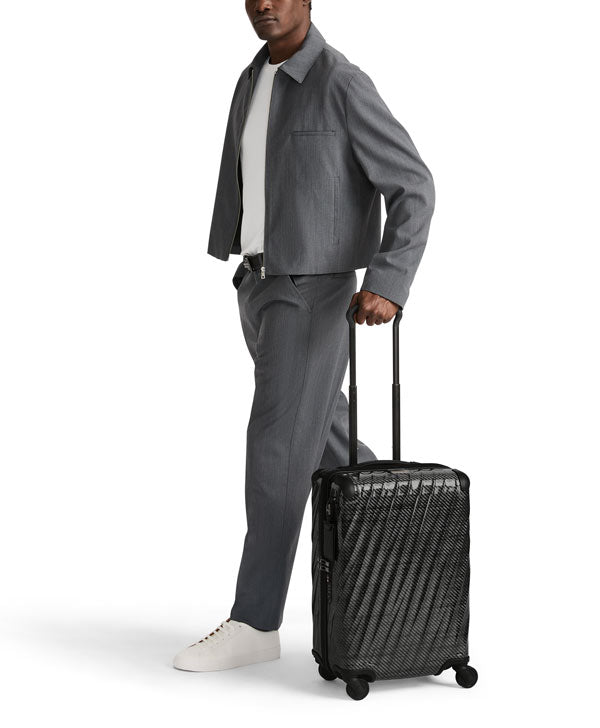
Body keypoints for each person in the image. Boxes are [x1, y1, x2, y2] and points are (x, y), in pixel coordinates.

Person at [173, 1, 435, 672]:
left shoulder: (341, 82)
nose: (264, 3)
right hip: (258, 286)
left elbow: (413, 184)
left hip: (312, 293)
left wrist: (389, 280)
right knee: (322, 437)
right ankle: (407, 549)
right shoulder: (252, 78)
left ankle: (256, 622)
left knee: (275, 450)